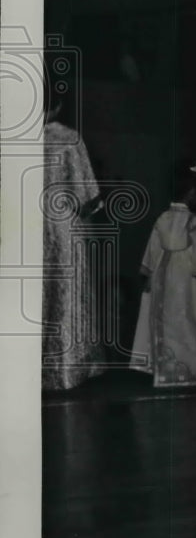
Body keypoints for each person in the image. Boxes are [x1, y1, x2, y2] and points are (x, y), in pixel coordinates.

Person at [130, 159, 196, 388]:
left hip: (164, 276)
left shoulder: (162, 218)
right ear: (192, 193)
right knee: (191, 318)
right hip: (189, 279)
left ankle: (167, 369)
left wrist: (150, 276)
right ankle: (190, 368)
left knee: (168, 319)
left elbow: (153, 250)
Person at [41, 78, 105, 391]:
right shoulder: (69, 138)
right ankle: (68, 371)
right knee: (68, 298)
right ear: (59, 105)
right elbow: (86, 194)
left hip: (28, 230)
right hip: (65, 229)